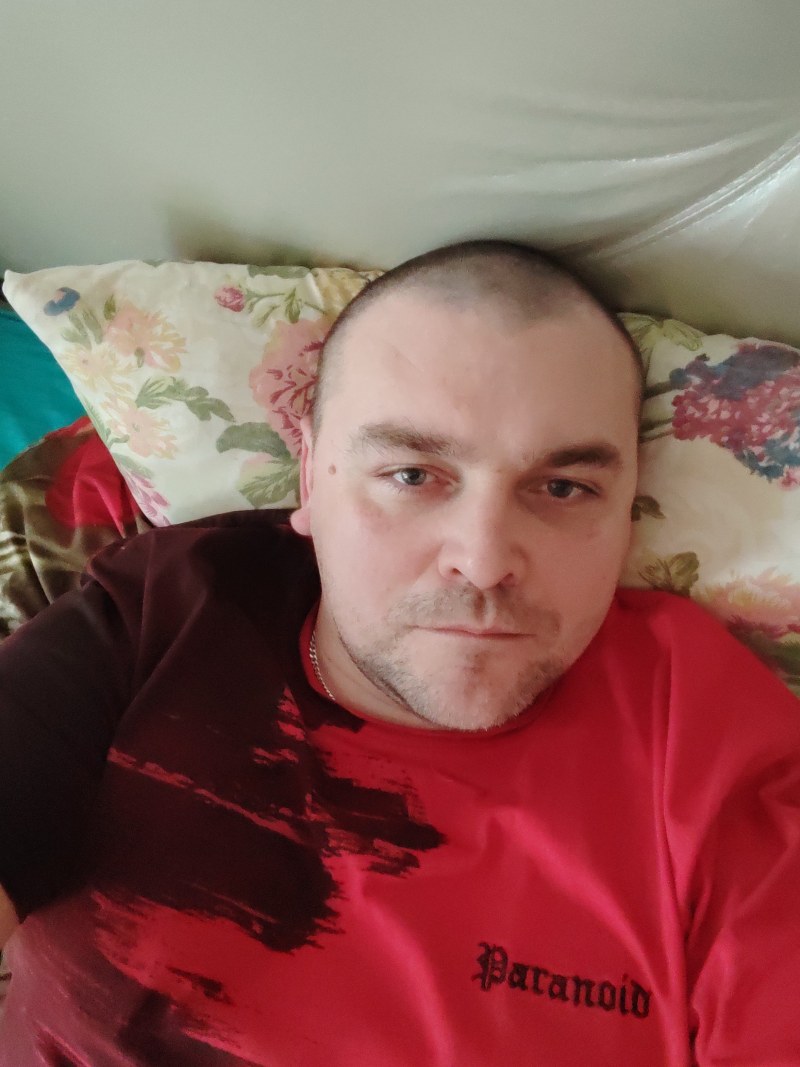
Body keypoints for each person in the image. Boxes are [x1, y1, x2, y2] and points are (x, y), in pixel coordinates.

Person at [0, 240, 798, 1065]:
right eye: (413, 475)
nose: (484, 559)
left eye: (564, 488)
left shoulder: (699, 728)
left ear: (629, 506)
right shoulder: (170, 606)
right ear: (311, 479)